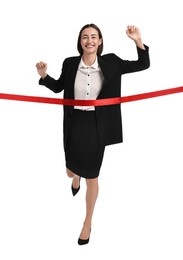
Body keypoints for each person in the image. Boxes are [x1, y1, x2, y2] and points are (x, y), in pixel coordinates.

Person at [36, 23, 150, 245]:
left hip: (98, 126)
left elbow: (143, 64)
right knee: (70, 172)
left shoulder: (112, 62)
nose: (89, 40)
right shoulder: (70, 64)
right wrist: (44, 75)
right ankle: (75, 176)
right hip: (75, 123)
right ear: (80, 42)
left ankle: (87, 222)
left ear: (99, 42)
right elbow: (59, 87)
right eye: (85, 37)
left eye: (94, 37)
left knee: (93, 177)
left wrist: (137, 40)